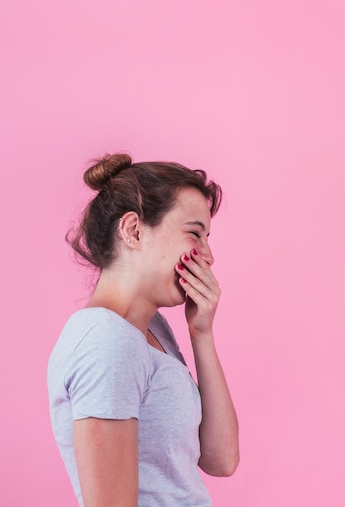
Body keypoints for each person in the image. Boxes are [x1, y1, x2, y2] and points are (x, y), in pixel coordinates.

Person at [48, 153, 239, 507]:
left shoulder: (150, 330)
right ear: (134, 230)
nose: (208, 255)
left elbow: (221, 458)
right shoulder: (107, 341)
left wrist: (202, 334)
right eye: (194, 233)